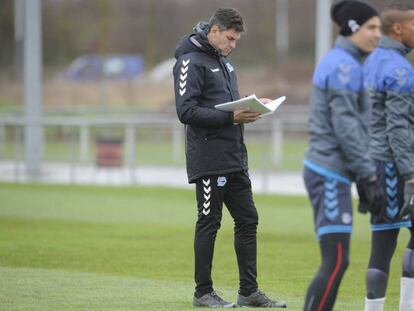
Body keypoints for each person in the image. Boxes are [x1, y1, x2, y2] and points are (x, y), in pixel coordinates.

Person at [173, 8, 287, 309]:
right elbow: (186, 111)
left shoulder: (225, 64)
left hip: (234, 156)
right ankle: (203, 293)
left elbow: (225, 107)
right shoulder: (189, 61)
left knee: (248, 219)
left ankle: (248, 292)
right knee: (209, 222)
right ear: (214, 31)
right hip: (209, 158)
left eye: (236, 40)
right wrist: (232, 117)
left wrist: (254, 106)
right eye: (230, 38)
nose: (233, 45)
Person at [302, 1, 385, 310]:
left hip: (333, 171)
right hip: (328, 172)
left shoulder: (346, 62)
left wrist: (362, 176)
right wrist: (368, 175)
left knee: (339, 260)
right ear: (352, 28)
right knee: (336, 260)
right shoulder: (344, 66)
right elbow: (347, 127)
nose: (378, 34)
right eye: (372, 28)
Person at [362, 4, 414, 311]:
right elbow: (397, 128)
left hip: (374, 163)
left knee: (383, 240)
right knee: (385, 242)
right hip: (395, 166)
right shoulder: (400, 69)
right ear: (398, 29)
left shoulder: (371, 61)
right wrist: (410, 174)